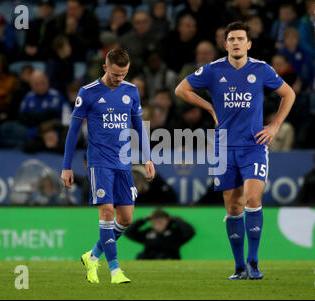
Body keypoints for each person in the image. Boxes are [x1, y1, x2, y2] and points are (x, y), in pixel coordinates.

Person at [175, 22, 295, 280]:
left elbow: (289, 94)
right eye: (232, 39)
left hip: (253, 145)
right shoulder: (213, 70)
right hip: (223, 147)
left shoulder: (261, 69)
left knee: (252, 199)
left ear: (249, 44)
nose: (236, 42)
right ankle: (239, 267)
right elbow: (181, 89)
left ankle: (253, 261)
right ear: (225, 43)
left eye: (241, 38)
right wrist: (209, 108)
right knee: (232, 208)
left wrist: (274, 126)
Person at [61, 48, 155, 284]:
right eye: (115, 74)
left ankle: (92, 256)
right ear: (105, 68)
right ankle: (115, 270)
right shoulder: (88, 93)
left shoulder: (131, 91)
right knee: (107, 212)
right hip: (99, 162)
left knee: (126, 218)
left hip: (124, 163)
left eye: (123, 74)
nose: (119, 78)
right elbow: (73, 132)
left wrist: (148, 157)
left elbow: (138, 126)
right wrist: (66, 166)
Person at [125, 208, 195, 259]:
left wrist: (175, 219)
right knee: (140, 256)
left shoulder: (174, 233)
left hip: (169, 258)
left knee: (161, 257)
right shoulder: (148, 233)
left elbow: (190, 232)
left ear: (167, 221)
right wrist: (144, 219)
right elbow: (129, 232)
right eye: (155, 223)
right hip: (150, 258)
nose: (158, 225)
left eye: (161, 222)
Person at [18, 70, 69, 140]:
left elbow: (57, 116)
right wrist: (41, 118)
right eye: (36, 84)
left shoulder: (57, 96)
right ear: (31, 84)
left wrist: (33, 116)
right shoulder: (28, 97)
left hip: (51, 129)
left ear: (47, 81)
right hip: (32, 128)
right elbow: (22, 116)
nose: (40, 86)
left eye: (43, 83)